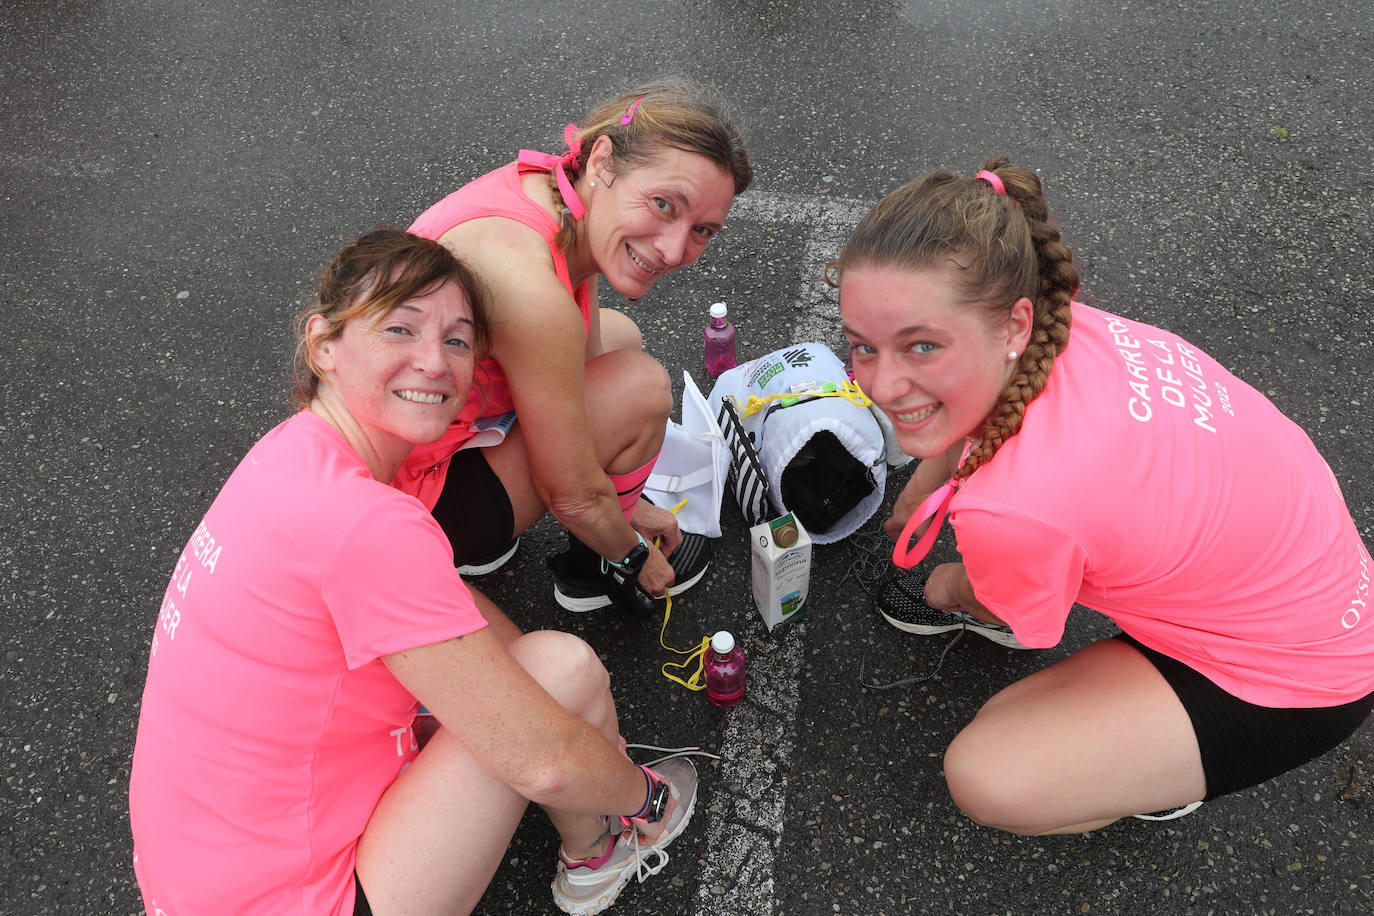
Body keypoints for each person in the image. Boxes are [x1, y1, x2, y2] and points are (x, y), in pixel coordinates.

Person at [128, 229, 699, 915]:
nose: (434, 361)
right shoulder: (367, 523)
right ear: (324, 345)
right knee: (560, 672)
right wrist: (642, 792)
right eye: (401, 329)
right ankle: (600, 855)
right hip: (301, 900)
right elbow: (544, 759)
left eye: (458, 341)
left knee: (525, 690)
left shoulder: (295, 454)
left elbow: (443, 605)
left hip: (196, 879)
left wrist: (527, 709)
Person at [835, 159, 1374, 835]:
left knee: (988, 773)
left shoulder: (1016, 512)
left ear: (1011, 326)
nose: (882, 387)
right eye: (862, 347)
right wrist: (918, 494)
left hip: (1294, 679)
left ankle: (1155, 775)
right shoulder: (1060, 330)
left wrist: (945, 583)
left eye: (920, 345)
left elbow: (1005, 602)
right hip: (1314, 587)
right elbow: (964, 418)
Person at [397, 77, 752, 614]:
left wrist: (622, 505)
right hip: (409, 510)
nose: (675, 249)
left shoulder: (549, 188)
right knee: (639, 388)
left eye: (703, 230)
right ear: (604, 161)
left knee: (619, 341)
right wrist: (630, 549)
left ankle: (543, 523)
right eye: (663, 204)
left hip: (407, 448)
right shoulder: (530, 290)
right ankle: (596, 569)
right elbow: (573, 495)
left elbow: (580, 360)